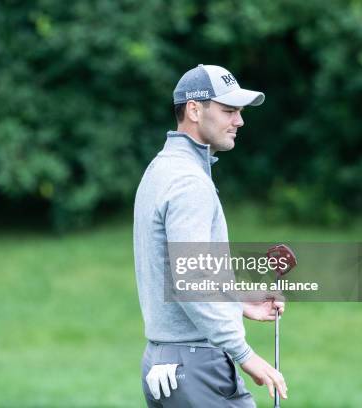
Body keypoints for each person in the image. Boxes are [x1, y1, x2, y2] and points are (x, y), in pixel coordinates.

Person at [133, 64, 288, 407]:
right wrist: (245, 355)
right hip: (197, 367)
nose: (239, 121)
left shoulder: (161, 169)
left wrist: (236, 300)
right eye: (229, 110)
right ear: (194, 109)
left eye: (240, 112)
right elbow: (192, 278)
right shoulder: (189, 182)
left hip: (165, 359)